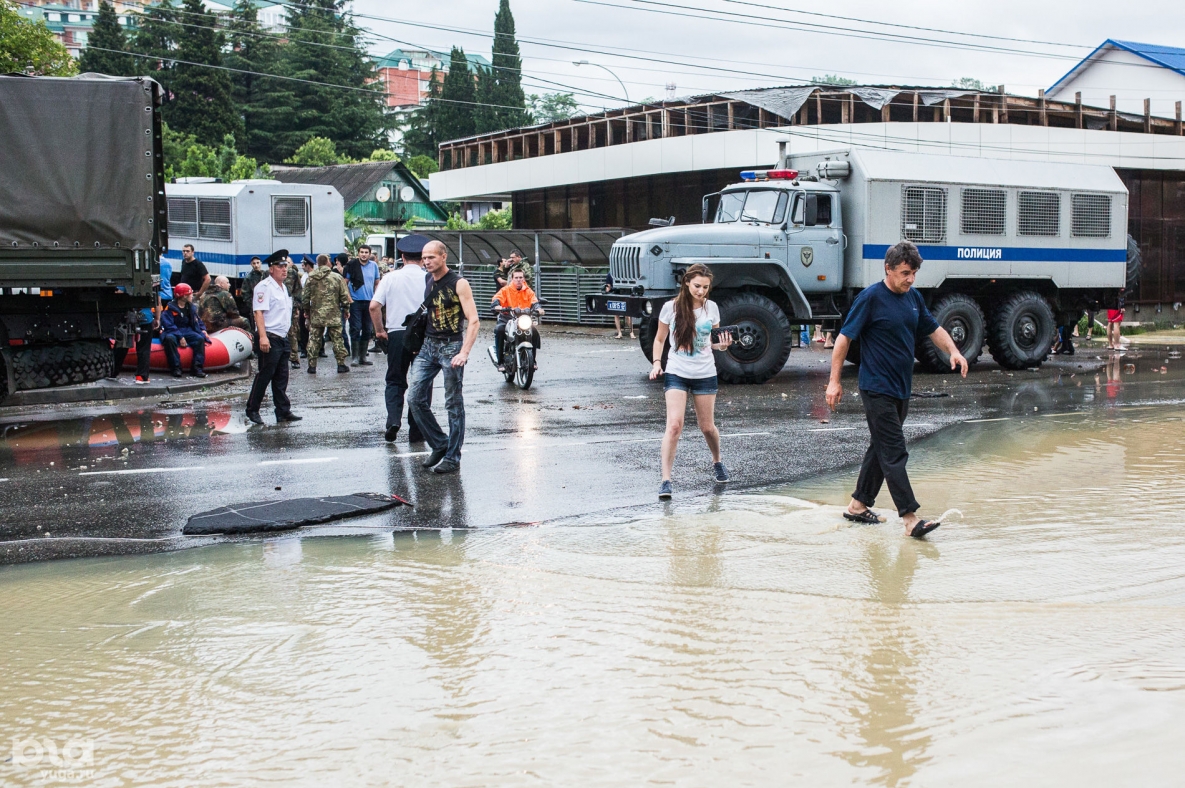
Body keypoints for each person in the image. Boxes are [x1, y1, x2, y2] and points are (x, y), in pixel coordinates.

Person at [825, 241, 968, 539]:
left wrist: (953, 351)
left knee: (881, 448)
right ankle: (910, 518)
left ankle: (857, 505)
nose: (911, 279)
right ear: (887, 269)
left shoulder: (913, 297)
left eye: (914, 272)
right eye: (905, 273)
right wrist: (834, 382)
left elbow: (934, 329)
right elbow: (843, 340)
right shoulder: (870, 298)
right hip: (876, 387)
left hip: (901, 388)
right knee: (894, 451)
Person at [648, 263, 734, 499]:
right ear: (686, 283)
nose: (701, 291)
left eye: (705, 287)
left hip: (705, 372)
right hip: (677, 370)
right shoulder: (670, 308)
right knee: (674, 425)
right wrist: (657, 363)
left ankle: (717, 461)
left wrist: (723, 345)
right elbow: (659, 339)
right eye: (697, 286)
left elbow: (715, 342)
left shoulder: (712, 308)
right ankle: (666, 480)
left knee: (707, 427)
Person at [408, 240, 480, 474]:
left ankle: (452, 457)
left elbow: (474, 321)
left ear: (443, 257)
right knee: (415, 398)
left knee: (453, 403)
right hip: (428, 346)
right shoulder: (428, 279)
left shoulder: (459, 283)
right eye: (424, 257)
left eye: (431, 257)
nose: (426, 261)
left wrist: (464, 352)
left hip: (451, 347)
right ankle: (439, 443)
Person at [370, 234, 432, 443]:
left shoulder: (390, 277)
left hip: (396, 333)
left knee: (395, 380)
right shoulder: (429, 278)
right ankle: (416, 430)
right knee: (422, 382)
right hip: (424, 334)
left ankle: (393, 420)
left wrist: (380, 330)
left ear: (402, 257)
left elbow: (374, 306)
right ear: (423, 258)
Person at [246, 250, 302, 425]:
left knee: (281, 376)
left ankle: (283, 411)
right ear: (271, 269)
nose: (284, 269)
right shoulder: (264, 286)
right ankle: (252, 409)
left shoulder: (283, 287)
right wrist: (262, 337)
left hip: (282, 336)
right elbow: (259, 313)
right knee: (265, 375)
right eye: (280, 266)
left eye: (285, 266)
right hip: (269, 336)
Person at [303, 254, 351, 374]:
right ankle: (341, 364)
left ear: (317, 263)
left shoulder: (311, 278)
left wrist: (306, 312)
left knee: (314, 339)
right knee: (337, 339)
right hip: (333, 314)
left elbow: (305, 298)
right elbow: (344, 296)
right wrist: (346, 309)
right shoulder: (337, 277)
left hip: (316, 314)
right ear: (328, 262)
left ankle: (312, 366)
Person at [491, 268, 542, 371]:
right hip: (507, 317)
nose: (519, 280)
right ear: (512, 279)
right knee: (499, 330)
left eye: (521, 277)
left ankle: (533, 360)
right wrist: (497, 305)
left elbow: (534, 301)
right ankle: (500, 361)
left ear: (524, 279)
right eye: (516, 278)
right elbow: (497, 299)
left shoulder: (528, 291)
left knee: (534, 333)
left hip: (523, 318)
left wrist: (539, 309)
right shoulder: (505, 290)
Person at [159, 283, 210, 378]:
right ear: (183, 296)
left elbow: (197, 320)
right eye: (190, 294)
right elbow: (168, 325)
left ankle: (197, 368)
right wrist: (180, 336)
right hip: (173, 330)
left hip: (187, 330)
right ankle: (176, 368)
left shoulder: (190, 308)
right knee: (170, 339)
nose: (192, 295)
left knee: (199, 339)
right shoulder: (170, 308)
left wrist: (202, 329)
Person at [112, 293, 159, 385]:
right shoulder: (153, 281)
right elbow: (157, 300)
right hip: (146, 317)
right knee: (144, 348)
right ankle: (141, 376)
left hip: (127, 316)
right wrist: (157, 318)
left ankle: (112, 371)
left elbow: (118, 294)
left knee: (121, 345)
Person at [345, 245, 380, 366]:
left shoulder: (374, 266)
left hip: (369, 302)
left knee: (367, 329)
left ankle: (362, 357)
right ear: (358, 253)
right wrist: (349, 299)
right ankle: (354, 357)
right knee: (355, 328)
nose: (364, 254)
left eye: (366, 252)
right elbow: (345, 283)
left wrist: (376, 297)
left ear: (369, 254)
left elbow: (377, 282)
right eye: (362, 252)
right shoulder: (352, 265)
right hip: (355, 302)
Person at [284, 256, 303, 369]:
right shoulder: (268, 274)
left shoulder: (293, 273)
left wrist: (297, 306)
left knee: (292, 333)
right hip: (276, 309)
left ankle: (294, 358)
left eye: (287, 262)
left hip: (290, 308)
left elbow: (298, 290)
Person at [603, 271, 634, 339]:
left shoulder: (621, 273)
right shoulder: (610, 274)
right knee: (617, 314)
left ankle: (631, 332)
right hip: (616, 294)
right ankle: (620, 333)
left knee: (627, 315)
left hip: (623, 294)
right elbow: (608, 286)